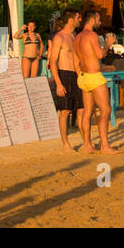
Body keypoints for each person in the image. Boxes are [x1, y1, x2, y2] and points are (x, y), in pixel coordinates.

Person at [74, 10, 117, 153]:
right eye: (98, 20)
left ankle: (87, 144)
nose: (100, 22)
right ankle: (104, 145)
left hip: (83, 76)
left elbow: (75, 60)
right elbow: (100, 54)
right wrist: (108, 44)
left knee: (87, 111)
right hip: (94, 77)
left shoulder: (77, 37)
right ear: (92, 20)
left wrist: (80, 75)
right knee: (105, 110)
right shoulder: (92, 35)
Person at [48, 10, 84, 151]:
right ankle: (65, 144)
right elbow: (53, 62)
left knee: (82, 109)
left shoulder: (74, 35)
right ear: (71, 19)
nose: (80, 19)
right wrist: (58, 83)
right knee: (65, 111)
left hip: (77, 75)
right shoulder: (60, 37)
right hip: (64, 75)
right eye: (78, 17)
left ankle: (86, 141)